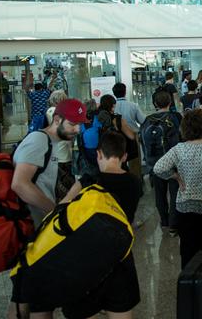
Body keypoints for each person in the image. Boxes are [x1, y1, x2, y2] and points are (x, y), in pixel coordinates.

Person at [58, 131, 141, 319]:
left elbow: (62, 208)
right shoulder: (134, 183)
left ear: (98, 154)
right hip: (120, 257)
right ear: (124, 156)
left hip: (84, 261)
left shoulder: (88, 181)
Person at [153, 109, 202, 267]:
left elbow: (158, 168)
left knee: (188, 249)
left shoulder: (179, 149)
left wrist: (175, 176)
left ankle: (189, 283)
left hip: (186, 206)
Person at [12, 98, 86, 227]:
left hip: (40, 223)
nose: (78, 130)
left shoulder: (52, 142)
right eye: (73, 124)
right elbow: (19, 184)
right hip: (31, 225)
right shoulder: (38, 140)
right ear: (57, 120)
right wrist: (54, 212)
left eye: (80, 124)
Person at [140, 90, 182, 236]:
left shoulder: (147, 120)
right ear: (170, 102)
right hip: (172, 164)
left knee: (159, 194)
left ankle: (164, 222)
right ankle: (173, 225)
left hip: (154, 164)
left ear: (155, 104)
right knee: (174, 193)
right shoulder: (175, 117)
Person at [44, 90, 73, 201]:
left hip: (54, 152)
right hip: (64, 153)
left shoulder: (49, 111)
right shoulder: (60, 113)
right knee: (67, 185)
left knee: (58, 185)